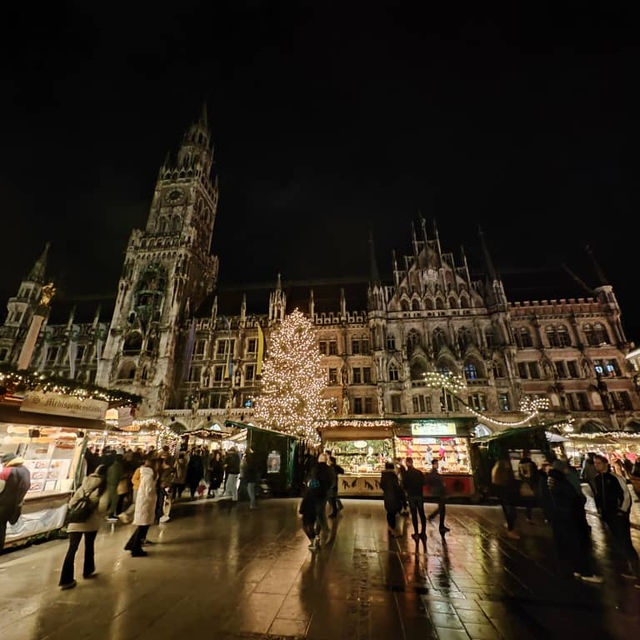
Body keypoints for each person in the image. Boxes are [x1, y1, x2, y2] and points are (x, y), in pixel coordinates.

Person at [547, 460, 602, 584]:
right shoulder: (562, 480)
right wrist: (580, 501)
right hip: (570, 516)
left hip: (562, 517)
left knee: (570, 545)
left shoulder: (552, 479)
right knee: (579, 544)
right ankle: (585, 572)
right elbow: (573, 496)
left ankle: (576, 569)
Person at [59, 465, 109, 589]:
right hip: (91, 523)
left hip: (75, 522)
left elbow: (71, 504)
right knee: (89, 545)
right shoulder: (103, 488)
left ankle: (66, 579)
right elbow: (102, 507)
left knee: (72, 549)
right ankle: (88, 570)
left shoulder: (83, 485)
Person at [593, 454, 640, 586]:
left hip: (618, 515)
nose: (596, 466)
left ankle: (637, 572)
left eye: (599, 463)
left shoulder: (615, 478)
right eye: (595, 463)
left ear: (605, 464)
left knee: (626, 542)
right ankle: (629, 568)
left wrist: (622, 511)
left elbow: (626, 495)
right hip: (608, 516)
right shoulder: (597, 479)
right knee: (618, 542)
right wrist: (600, 510)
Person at [124, 457, 156, 557]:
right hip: (145, 501)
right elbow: (148, 489)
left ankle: (131, 544)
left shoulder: (146, 473)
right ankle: (135, 548)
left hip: (144, 501)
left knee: (143, 525)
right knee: (143, 525)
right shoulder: (148, 475)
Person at [0, 453, 31, 551]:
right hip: (13, 507)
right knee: (1, 530)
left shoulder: (7, 472)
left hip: (1, 505)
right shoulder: (26, 471)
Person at [492, 453, 519, 539]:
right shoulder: (504, 467)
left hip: (502, 491)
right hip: (506, 492)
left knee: (508, 510)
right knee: (510, 511)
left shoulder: (497, 467)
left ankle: (510, 527)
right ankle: (510, 530)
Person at [403, 457, 426, 539]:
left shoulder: (406, 474)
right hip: (419, 495)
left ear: (407, 463)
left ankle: (416, 533)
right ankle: (423, 532)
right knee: (422, 513)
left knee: (414, 514)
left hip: (411, 495)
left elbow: (404, 485)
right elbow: (424, 482)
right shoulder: (419, 472)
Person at [381, 462, 405, 537]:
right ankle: (393, 529)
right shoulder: (393, 476)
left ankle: (390, 528)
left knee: (389, 512)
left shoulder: (384, 476)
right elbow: (397, 488)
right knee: (393, 513)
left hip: (387, 497)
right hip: (394, 497)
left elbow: (382, 486)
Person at [426, 458, 449, 535]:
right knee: (442, 508)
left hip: (436, 491)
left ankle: (432, 516)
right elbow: (441, 482)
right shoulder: (435, 474)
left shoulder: (431, 473)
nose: (438, 465)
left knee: (441, 507)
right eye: (437, 464)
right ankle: (441, 526)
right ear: (434, 464)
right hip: (439, 491)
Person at [518, 450, 538, 523]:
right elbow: (535, 473)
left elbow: (520, 474)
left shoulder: (520, 463)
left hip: (525, 483)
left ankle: (528, 516)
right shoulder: (531, 463)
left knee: (527, 501)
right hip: (532, 482)